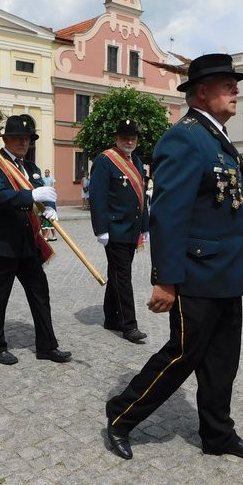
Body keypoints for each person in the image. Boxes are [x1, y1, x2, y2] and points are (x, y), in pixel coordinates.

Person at [105, 54, 243, 461]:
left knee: (222, 360)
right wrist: (165, 279)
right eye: (227, 83)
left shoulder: (218, 138)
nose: (235, 90)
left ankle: (218, 435)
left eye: (235, 83)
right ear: (201, 91)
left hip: (226, 273)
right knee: (180, 355)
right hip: (195, 273)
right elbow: (168, 215)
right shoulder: (184, 137)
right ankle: (120, 415)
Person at [0, 114, 71, 365]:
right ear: (6, 139)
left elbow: (44, 193)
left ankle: (47, 345)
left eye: (27, 138)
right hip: (0, 241)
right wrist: (31, 194)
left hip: (27, 242)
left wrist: (49, 206)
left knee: (40, 292)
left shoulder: (31, 168)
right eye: (18, 138)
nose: (23, 143)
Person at [89, 118, 150, 343]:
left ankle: (111, 318)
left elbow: (141, 197)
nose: (129, 141)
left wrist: (145, 225)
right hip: (114, 229)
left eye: (133, 137)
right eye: (125, 137)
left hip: (132, 229)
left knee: (117, 274)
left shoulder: (137, 160)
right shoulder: (105, 161)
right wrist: (101, 229)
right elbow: (97, 196)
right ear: (116, 138)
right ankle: (129, 325)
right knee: (123, 276)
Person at [40, 169, 58, 242]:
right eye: (45, 172)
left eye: (47, 172)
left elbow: (53, 185)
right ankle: (53, 236)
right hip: (46, 201)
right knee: (48, 221)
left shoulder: (51, 179)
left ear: (49, 173)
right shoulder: (43, 179)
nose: (46, 173)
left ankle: (50, 236)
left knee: (50, 221)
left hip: (50, 206)